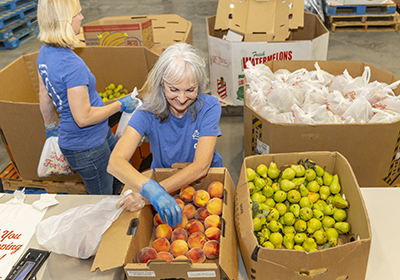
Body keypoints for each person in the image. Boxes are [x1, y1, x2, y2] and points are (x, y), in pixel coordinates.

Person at [107, 43, 223, 227]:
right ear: (162, 83)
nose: (182, 98)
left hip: (205, 185)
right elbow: (115, 162)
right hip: (165, 180)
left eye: (190, 90)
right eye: (174, 90)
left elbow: (201, 166)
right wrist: (151, 189)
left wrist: (151, 193)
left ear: (199, 85)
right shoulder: (147, 113)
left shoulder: (209, 107)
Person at [36, 0, 139, 196]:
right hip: (87, 146)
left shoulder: (44, 53)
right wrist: (120, 104)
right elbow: (83, 118)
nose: (82, 17)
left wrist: (50, 127)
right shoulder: (71, 64)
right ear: (66, 20)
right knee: (102, 199)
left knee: (120, 174)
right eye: (78, 14)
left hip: (95, 135)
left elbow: (44, 94)